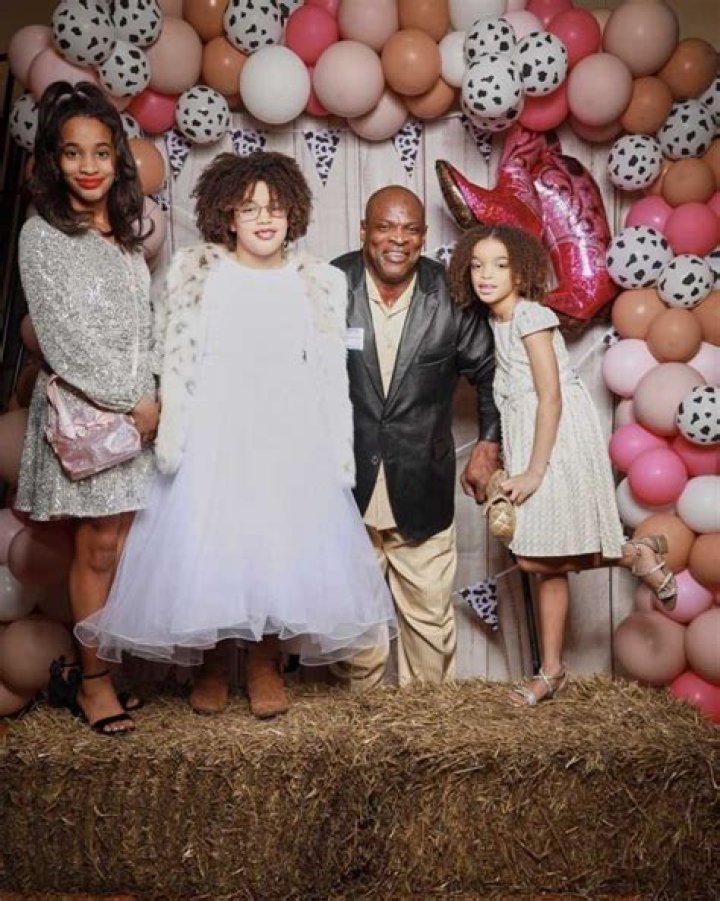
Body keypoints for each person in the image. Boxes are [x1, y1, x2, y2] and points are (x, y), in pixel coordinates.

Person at [76, 151, 396, 720]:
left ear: (293, 213)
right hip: (215, 429)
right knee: (215, 544)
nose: (264, 219)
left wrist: (330, 444)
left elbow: (327, 370)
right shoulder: (196, 273)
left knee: (277, 542)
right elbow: (166, 351)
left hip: (288, 431)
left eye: (274, 208)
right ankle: (215, 662)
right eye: (250, 209)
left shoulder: (317, 282)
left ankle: (266, 662)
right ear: (227, 215)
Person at [447, 223, 677, 706]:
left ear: (521, 273)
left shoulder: (531, 316)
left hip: (559, 438)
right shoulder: (495, 322)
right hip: (529, 436)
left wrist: (534, 471)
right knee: (541, 563)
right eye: (478, 265)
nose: (486, 275)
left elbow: (549, 397)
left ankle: (633, 555)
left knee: (536, 557)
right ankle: (551, 672)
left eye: (500, 265)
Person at [16, 82, 159, 735]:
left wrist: (154, 394)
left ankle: (98, 668)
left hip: (136, 418)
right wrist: (133, 403)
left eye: (101, 151)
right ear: (53, 159)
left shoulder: (123, 236)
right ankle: (93, 682)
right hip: (91, 419)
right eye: (73, 152)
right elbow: (63, 339)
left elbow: (143, 325)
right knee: (98, 546)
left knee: (120, 546)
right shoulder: (43, 236)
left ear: (117, 157)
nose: (89, 165)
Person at [330, 186, 500, 690]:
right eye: (385, 227)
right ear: (364, 231)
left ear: (424, 237)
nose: (397, 239)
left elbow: (490, 373)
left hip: (423, 480)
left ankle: (426, 723)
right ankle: (358, 722)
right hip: (343, 485)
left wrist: (488, 445)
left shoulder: (451, 293)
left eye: (409, 230)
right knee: (353, 628)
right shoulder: (329, 286)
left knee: (428, 624)